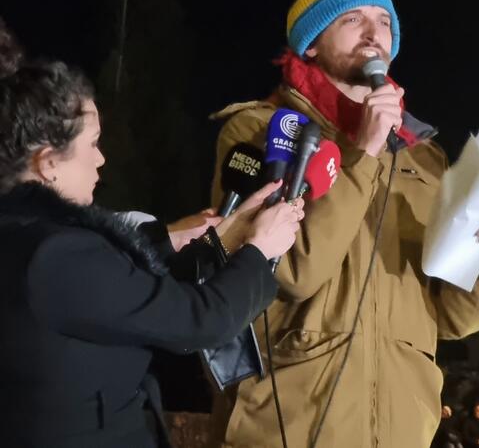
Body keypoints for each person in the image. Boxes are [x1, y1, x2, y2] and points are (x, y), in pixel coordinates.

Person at [209, 0, 479, 447]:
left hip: (401, 430)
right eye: (352, 19)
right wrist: (363, 152)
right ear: (310, 44)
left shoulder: (423, 157)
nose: (375, 33)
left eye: (384, 21)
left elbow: (456, 320)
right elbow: (290, 272)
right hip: (288, 426)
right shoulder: (259, 131)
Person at [0, 58, 304, 447]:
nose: (101, 159)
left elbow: (137, 296)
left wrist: (221, 243)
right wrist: (260, 250)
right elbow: (199, 321)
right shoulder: (54, 255)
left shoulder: (26, 236)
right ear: (48, 163)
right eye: (92, 143)